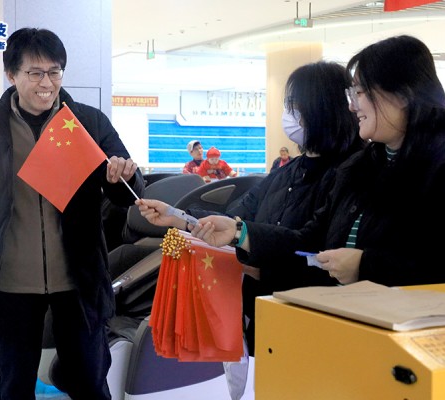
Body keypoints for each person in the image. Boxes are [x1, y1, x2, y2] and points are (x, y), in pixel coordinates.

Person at [177, 35, 445, 289]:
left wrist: (366, 266)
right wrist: (240, 232)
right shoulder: (362, 167)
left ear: (403, 95)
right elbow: (310, 241)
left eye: (361, 93)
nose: (352, 106)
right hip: (341, 326)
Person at [0, 28, 144, 400]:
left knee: (89, 382)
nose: (46, 83)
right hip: (11, 284)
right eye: (35, 73)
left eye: (54, 72)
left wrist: (124, 175)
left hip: (78, 281)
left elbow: (128, 192)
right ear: (11, 74)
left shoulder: (87, 123)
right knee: (15, 385)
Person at [137, 61, 364, 355]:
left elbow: (316, 251)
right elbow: (235, 220)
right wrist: (177, 216)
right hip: (262, 316)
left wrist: (263, 268)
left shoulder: (349, 175)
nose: (289, 114)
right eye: (288, 105)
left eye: (296, 105)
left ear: (324, 108)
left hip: (311, 323)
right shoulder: (286, 172)